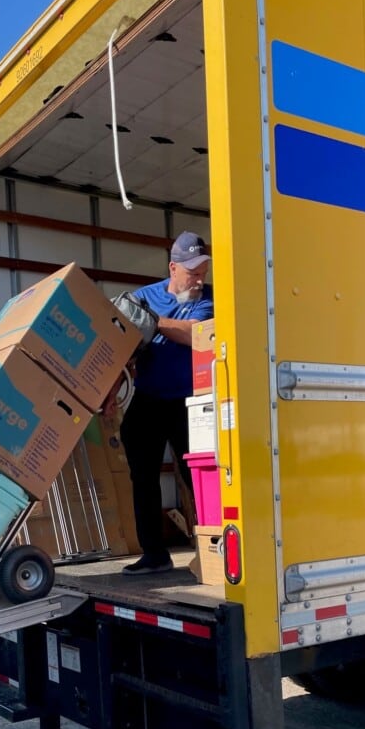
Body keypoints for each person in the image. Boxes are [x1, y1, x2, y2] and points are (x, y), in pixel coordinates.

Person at [119, 231, 214, 575]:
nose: (199, 278)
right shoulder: (144, 296)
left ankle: (211, 551)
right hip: (148, 397)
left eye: (203, 270)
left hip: (190, 401)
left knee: (198, 478)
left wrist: (151, 322)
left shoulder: (207, 299)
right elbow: (120, 338)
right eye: (192, 271)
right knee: (142, 475)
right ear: (173, 268)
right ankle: (154, 554)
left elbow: (196, 334)